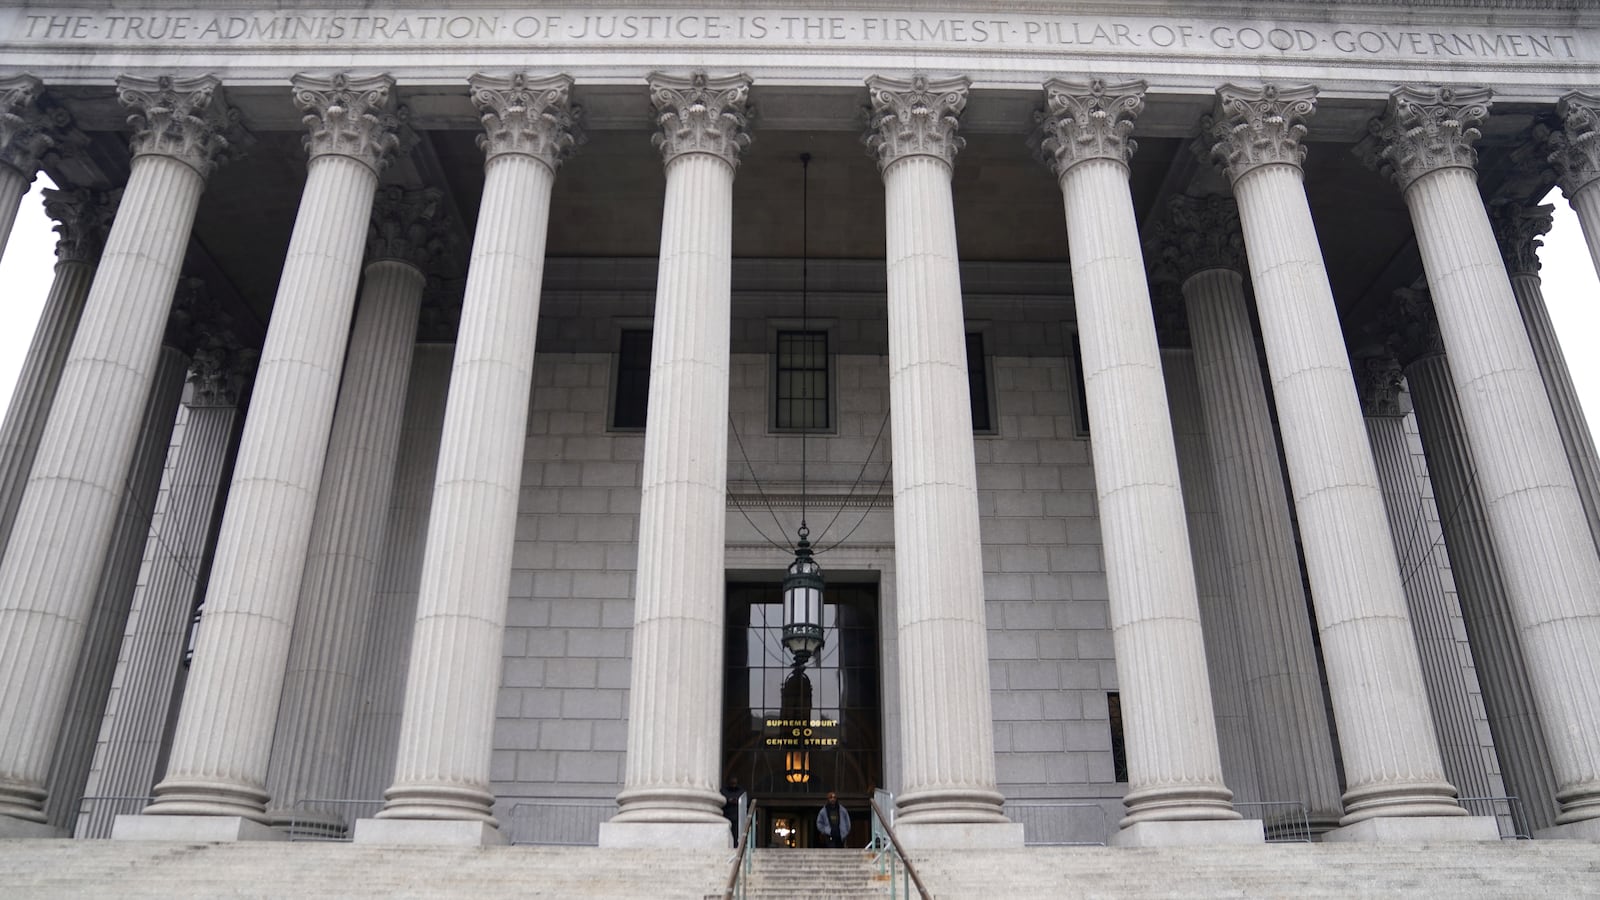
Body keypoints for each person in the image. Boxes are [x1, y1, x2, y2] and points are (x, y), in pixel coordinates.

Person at [720, 777, 746, 842]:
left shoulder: (741, 791)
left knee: (736, 834)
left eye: (734, 783)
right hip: (726, 815)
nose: (733, 785)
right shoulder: (724, 791)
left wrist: (736, 801)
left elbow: (745, 801)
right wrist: (729, 800)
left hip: (737, 817)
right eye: (732, 783)